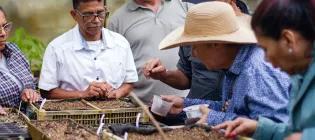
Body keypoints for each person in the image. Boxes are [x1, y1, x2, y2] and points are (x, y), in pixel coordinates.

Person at [158, 1, 290, 126]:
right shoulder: (236, 65)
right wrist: (185, 105)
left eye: (195, 47)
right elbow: (232, 109)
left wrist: (214, 118)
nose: (193, 54)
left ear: (216, 44)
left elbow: (275, 127)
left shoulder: (257, 70)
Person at [214, 0, 315, 140]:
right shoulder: (299, 74)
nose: (266, 60)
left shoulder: (257, 69)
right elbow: (295, 130)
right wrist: (260, 128)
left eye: (265, 49)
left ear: (288, 40)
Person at [143, 0, 250, 102]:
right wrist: (164, 75)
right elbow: (186, 76)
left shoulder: (252, 47)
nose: (195, 52)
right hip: (197, 114)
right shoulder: (195, 28)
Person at [38, 0, 138, 99]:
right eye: (88, 14)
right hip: (72, 113)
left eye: (100, 13)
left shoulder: (120, 43)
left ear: (105, 10)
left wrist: (117, 93)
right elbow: (46, 91)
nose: (96, 20)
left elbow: (129, 82)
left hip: (116, 112)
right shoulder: (57, 48)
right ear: (74, 15)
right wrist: (83, 94)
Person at [108, 0, 190, 104]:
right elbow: (114, 70)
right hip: (141, 107)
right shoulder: (117, 20)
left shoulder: (183, 7)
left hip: (184, 104)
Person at [0, 6, 40, 110]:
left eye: (5, 26)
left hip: (29, 117)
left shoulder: (13, 50)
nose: (3, 33)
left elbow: (31, 81)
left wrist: (29, 92)